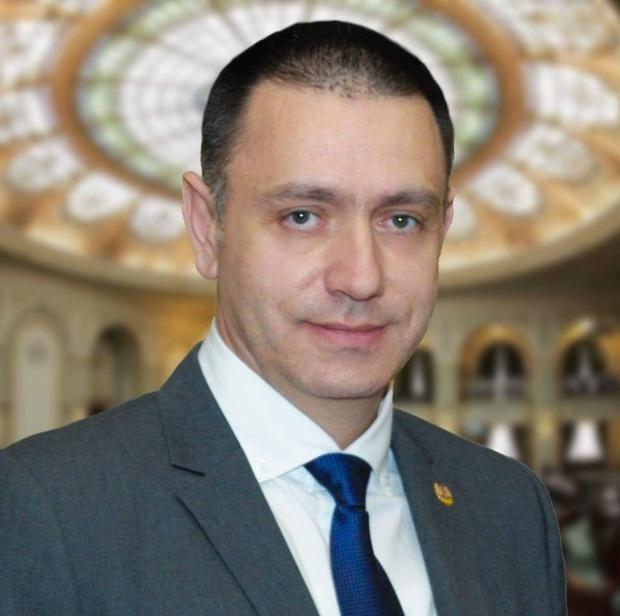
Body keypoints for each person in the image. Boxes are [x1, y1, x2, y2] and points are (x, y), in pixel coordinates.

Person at [0, 21, 566, 616]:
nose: (361, 277)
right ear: (206, 227)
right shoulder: (48, 507)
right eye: (302, 216)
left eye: (401, 220)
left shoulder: (509, 508)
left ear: (442, 230)